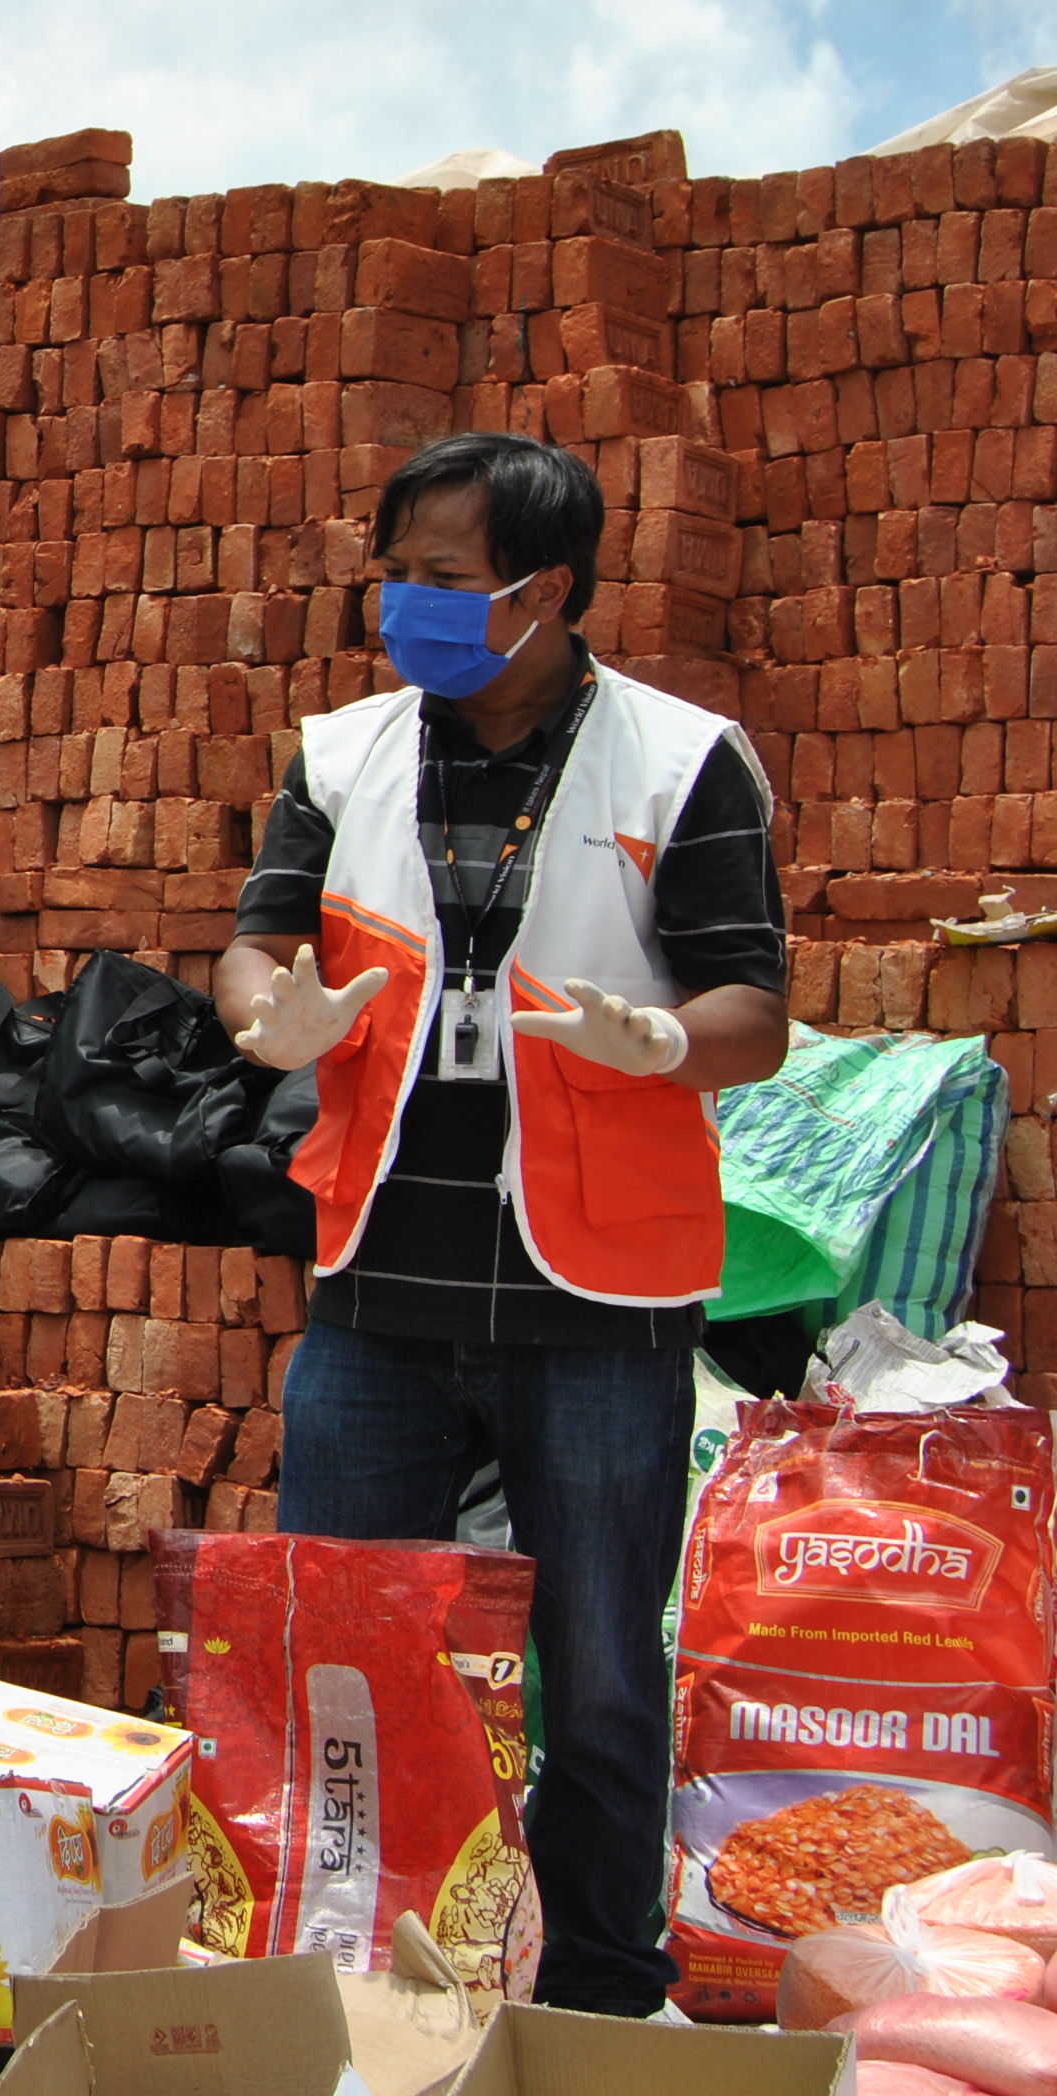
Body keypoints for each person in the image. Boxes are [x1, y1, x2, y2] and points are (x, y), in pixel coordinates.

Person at [215, 430, 787, 2019]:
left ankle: (603, 1995)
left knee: (599, 1672)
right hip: (377, 1289)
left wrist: (666, 1040)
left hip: (595, 1300)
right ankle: (370, 1991)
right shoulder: (346, 754)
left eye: (445, 581)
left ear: (544, 591)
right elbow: (254, 948)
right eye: (393, 574)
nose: (408, 607)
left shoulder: (681, 762)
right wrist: (278, 1016)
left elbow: (759, 1007)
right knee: (349, 1651)